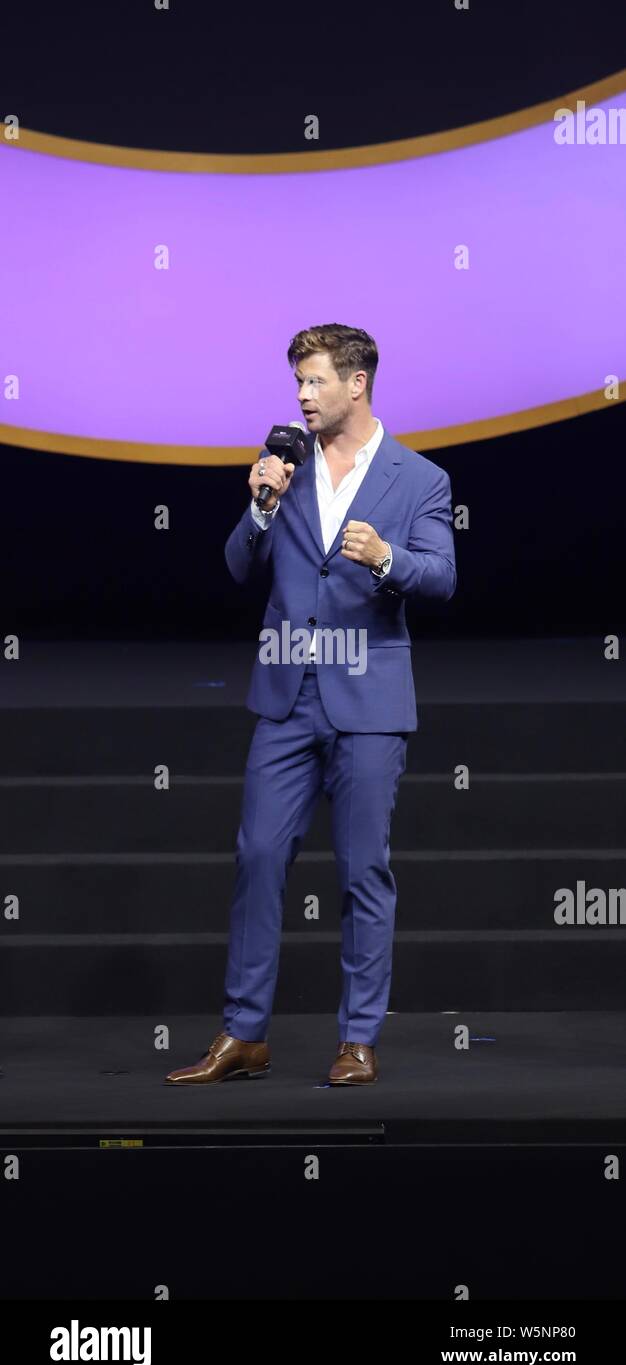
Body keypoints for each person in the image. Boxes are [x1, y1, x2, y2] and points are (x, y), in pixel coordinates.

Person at [166, 323, 456, 1086]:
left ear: (356, 384)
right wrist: (261, 506)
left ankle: (357, 1039)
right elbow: (236, 566)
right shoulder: (284, 467)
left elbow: (442, 577)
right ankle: (244, 1035)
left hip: (368, 699)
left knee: (364, 870)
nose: (301, 395)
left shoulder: (418, 479)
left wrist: (388, 559)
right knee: (258, 855)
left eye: (315, 381)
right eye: (297, 382)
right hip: (288, 695)